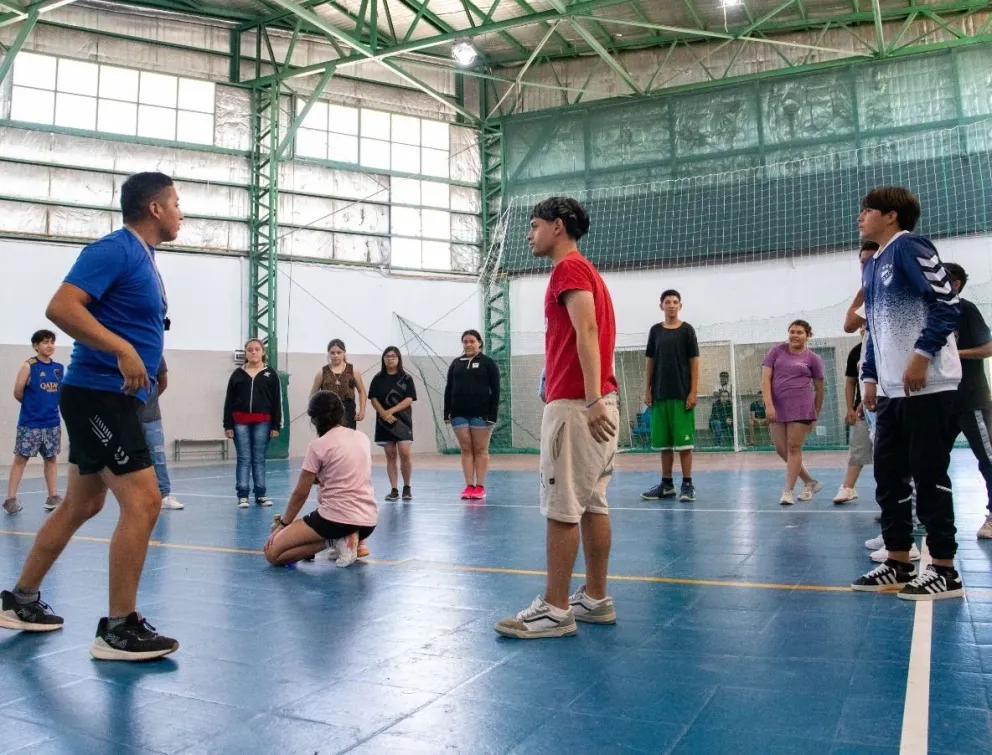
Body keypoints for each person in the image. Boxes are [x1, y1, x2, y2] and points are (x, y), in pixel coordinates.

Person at [0, 172, 181, 660]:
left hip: (114, 396)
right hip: (96, 395)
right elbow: (61, 307)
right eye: (177, 203)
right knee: (144, 501)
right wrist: (123, 350)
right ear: (155, 209)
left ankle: (20, 600)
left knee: (82, 504)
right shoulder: (115, 249)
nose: (182, 212)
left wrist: (151, 362)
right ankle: (119, 629)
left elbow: (133, 320)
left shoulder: (146, 259)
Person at [495, 197, 618, 640]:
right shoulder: (587, 272)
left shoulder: (569, 270)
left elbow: (586, 330)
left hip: (578, 409)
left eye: (534, 226)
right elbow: (578, 334)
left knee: (563, 506)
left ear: (558, 227)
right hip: (591, 402)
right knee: (591, 503)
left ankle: (555, 608)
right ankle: (595, 598)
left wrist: (588, 400)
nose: (530, 234)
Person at [852, 185, 964, 600]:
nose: (859, 216)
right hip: (892, 391)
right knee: (889, 476)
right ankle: (898, 559)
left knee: (929, 475)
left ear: (891, 215)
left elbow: (946, 304)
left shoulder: (910, 248)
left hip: (928, 385)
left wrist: (921, 355)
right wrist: (870, 376)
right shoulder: (873, 263)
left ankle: (945, 570)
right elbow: (875, 333)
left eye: (867, 210)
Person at [264, 391, 377, 568]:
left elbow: (301, 493)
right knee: (300, 539)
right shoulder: (362, 438)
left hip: (335, 520)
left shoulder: (318, 446)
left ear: (314, 420)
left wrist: (283, 525)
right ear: (342, 413)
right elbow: (345, 473)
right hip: (368, 521)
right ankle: (344, 539)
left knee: (273, 554)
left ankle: (335, 541)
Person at [942, 263, 992, 539]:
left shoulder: (966, 309)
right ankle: (931, 511)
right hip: (941, 402)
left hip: (971, 399)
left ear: (956, 284)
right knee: (933, 460)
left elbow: (988, 348)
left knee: (987, 457)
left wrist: (954, 355)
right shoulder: (931, 312)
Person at [640, 290, 700, 502]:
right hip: (659, 395)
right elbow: (650, 361)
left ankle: (687, 484)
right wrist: (647, 389)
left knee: (684, 445)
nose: (672, 305)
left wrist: (693, 391)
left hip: (682, 395)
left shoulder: (687, 330)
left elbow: (694, 361)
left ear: (680, 306)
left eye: (675, 302)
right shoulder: (655, 331)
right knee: (664, 444)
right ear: (661, 306)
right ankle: (666, 485)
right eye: (668, 302)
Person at [761, 320, 825, 505]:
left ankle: (788, 491)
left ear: (807, 335)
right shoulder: (776, 351)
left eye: (799, 332)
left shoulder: (813, 359)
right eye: (792, 331)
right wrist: (769, 404)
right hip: (777, 408)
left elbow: (820, 390)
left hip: (802, 408)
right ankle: (810, 482)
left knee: (793, 448)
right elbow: (765, 378)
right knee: (781, 449)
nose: (795, 335)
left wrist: (815, 414)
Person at [4, 330, 63, 514]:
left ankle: (53, 497)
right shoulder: (29, 366)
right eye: (45, 342)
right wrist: (32, 406)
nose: (50, 345)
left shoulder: (59, 368)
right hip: (30, 423)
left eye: (52, 342)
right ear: (36, 346)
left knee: (51, 458)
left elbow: (59, 393)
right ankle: (10, 499)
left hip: (52, 422)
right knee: (21, 459)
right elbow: (18, 392)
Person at [223, 338, 282, 508]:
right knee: (244, 458)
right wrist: (228, 425)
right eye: (250, 349)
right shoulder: (237, 374)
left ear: (263, 352)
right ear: (246, 353)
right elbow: (229, 401)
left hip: (263, 422)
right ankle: (242, 495)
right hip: (239, 422)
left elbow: (277, 402)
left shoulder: (270, 374)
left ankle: (261, 493)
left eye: (257, 349)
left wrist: (276, 425)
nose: (254, 352)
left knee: (258, 458)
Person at [443, 329, 501, 500]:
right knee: (466, 450)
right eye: (465, 341)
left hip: (481, 415)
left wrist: (492, 415)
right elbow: (449, 389)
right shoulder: (456, 363)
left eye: (472, 341)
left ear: (479, 343)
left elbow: (496, 390)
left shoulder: (488, 363)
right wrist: (447, 412)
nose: (468, 344)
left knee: (480, 450)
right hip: (459, 414)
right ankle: (469, 486)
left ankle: (480, 486)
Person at [368, 346, 417, 502]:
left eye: (393, 356)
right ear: (383, 359)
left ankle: (407, 487)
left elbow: (409, 398)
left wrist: (391, 411)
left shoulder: (406, 378)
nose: (390, 358)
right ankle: (394, 489)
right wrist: (384, 413)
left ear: (398, 358)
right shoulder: (377, 378)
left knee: (404, 452)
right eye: (387, 356)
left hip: (402, 422)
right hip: (384, 422)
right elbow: (373, 398)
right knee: (390, 454)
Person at [833, 337, 872, 505]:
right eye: (861, 324)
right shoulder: (856, 351)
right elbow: (850, 382)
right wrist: (850, 408)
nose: (864, 327)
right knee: (857, 448)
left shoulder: (884, 344)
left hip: (885, 406)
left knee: (888, 454)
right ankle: (848, 488)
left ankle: (893, 498)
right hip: (861, 410)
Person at [141, 358, 183, 510]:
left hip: (152, 417)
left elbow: (163, 383)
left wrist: (149, 401)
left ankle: (164, 495)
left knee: (157, 456)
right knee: (132, 457)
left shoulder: (157, 356)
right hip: (128, 416)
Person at [309, 339, 366, 430]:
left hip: (348, 410)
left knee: (347, 440)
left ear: (344, 353)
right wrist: (315, 412)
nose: (336, 355)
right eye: (332, 353)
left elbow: (361, 391)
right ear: (328, 353)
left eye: (339, 352)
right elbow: (313, 394)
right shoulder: (322, 372)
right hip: (327, 411)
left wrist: (362, 411)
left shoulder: (353, 370)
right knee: (329, 440)